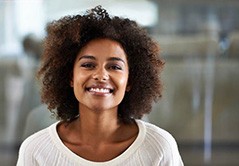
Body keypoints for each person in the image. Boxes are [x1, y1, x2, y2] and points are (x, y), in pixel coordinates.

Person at [17, 6, 184, 166]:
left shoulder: (159, 147)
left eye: (114, 67)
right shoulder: (36, 151)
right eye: (88, 65)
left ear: (130, 81)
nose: (101, 75)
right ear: (70, 77)